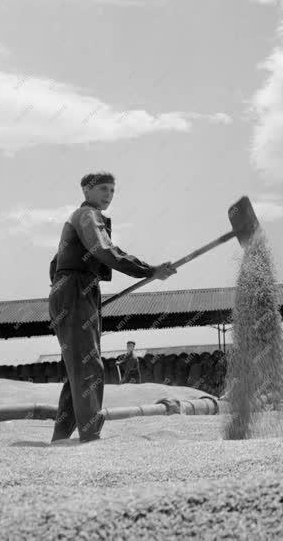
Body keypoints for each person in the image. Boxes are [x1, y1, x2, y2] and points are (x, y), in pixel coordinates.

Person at [48, 171, 176, 444]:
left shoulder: (78, 219)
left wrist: (75, 290)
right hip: (75, 290)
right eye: (103, 189)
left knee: (77, 368)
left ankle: (61, 436)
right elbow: (104, 250)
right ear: (86, 190)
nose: (109, 195)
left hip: (75, 289)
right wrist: (148, 270)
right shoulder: (87, 216)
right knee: (88, 365)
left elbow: (55, 263)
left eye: (112, 191)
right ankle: (90, 435)